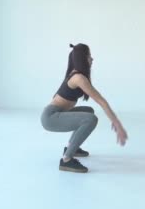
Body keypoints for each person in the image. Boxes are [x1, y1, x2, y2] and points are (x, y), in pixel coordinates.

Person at [40, 43, 128, 173]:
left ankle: (71, 147)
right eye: (88, 56)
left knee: (88, 111)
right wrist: (117, 123)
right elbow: (101, 101)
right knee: (90, 119)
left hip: (55, 113)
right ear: (82, 58)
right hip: (50, 117)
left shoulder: (76, 74)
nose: (92, 59)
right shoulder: (78, 78)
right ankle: (66, 160)